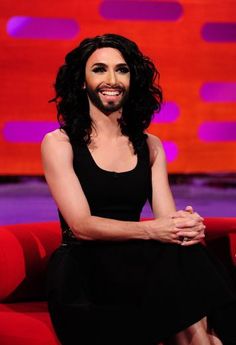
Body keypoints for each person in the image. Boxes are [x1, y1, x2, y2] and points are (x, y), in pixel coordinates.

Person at [41, 33, 236, 345]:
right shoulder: (59, 143)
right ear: (81, 81)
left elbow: (166, 218)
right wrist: (156, 230)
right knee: (181, 275)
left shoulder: (150, 145)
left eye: (122, 70)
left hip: (137, 262)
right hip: (85, 268)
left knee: (186, 255)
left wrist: (186, 227)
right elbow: (82, 227)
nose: (111, 79)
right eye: (99, 69)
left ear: (133, 80)